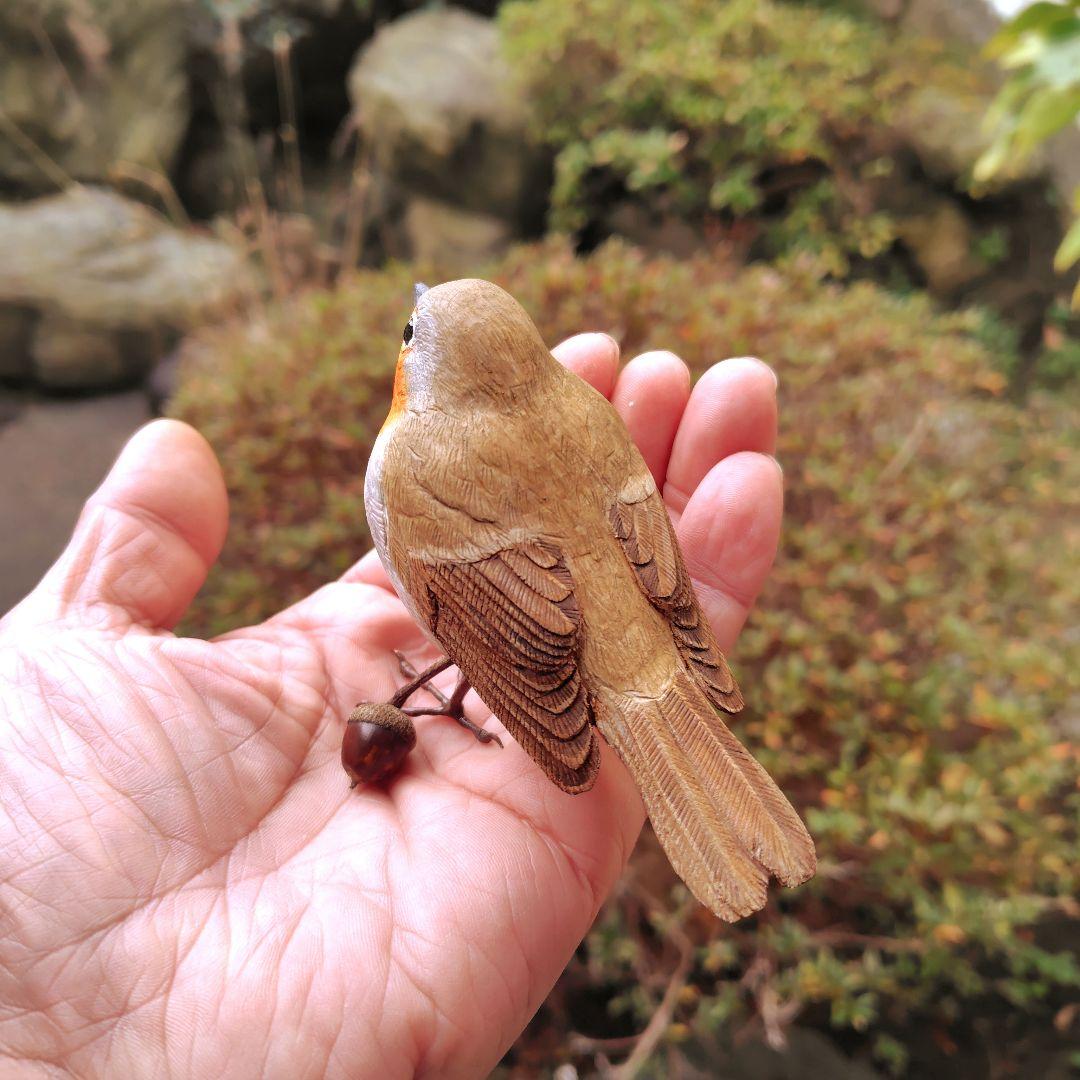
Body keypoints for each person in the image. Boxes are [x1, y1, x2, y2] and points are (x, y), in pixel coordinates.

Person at [0, 333, 782, 1077]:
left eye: (414, 333)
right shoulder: (581, 407)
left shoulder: (409, 461)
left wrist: (521, 685)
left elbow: (480, 612)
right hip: (637, 595)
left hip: (528, 618)